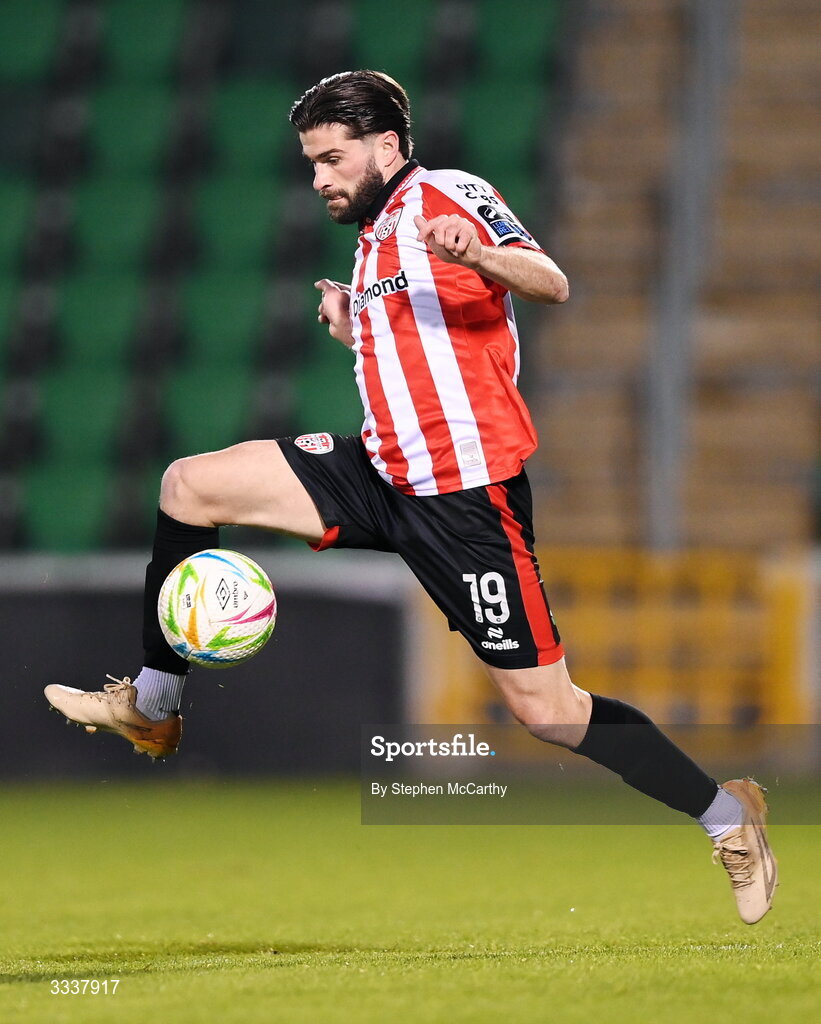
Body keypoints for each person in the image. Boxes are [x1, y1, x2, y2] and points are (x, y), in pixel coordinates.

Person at [45, 71, 776, 924]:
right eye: (311, 162)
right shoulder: (375, 234)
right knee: (188, 484)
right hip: (380, 471)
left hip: (463, 498)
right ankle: (155, 705)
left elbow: (547, 280)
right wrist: (357, 321)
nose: (318, 177)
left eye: (331, 158)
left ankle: (728, 816)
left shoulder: (447, 194)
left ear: (386, 146)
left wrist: (476, 253)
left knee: (547, 711)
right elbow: (419, 343)